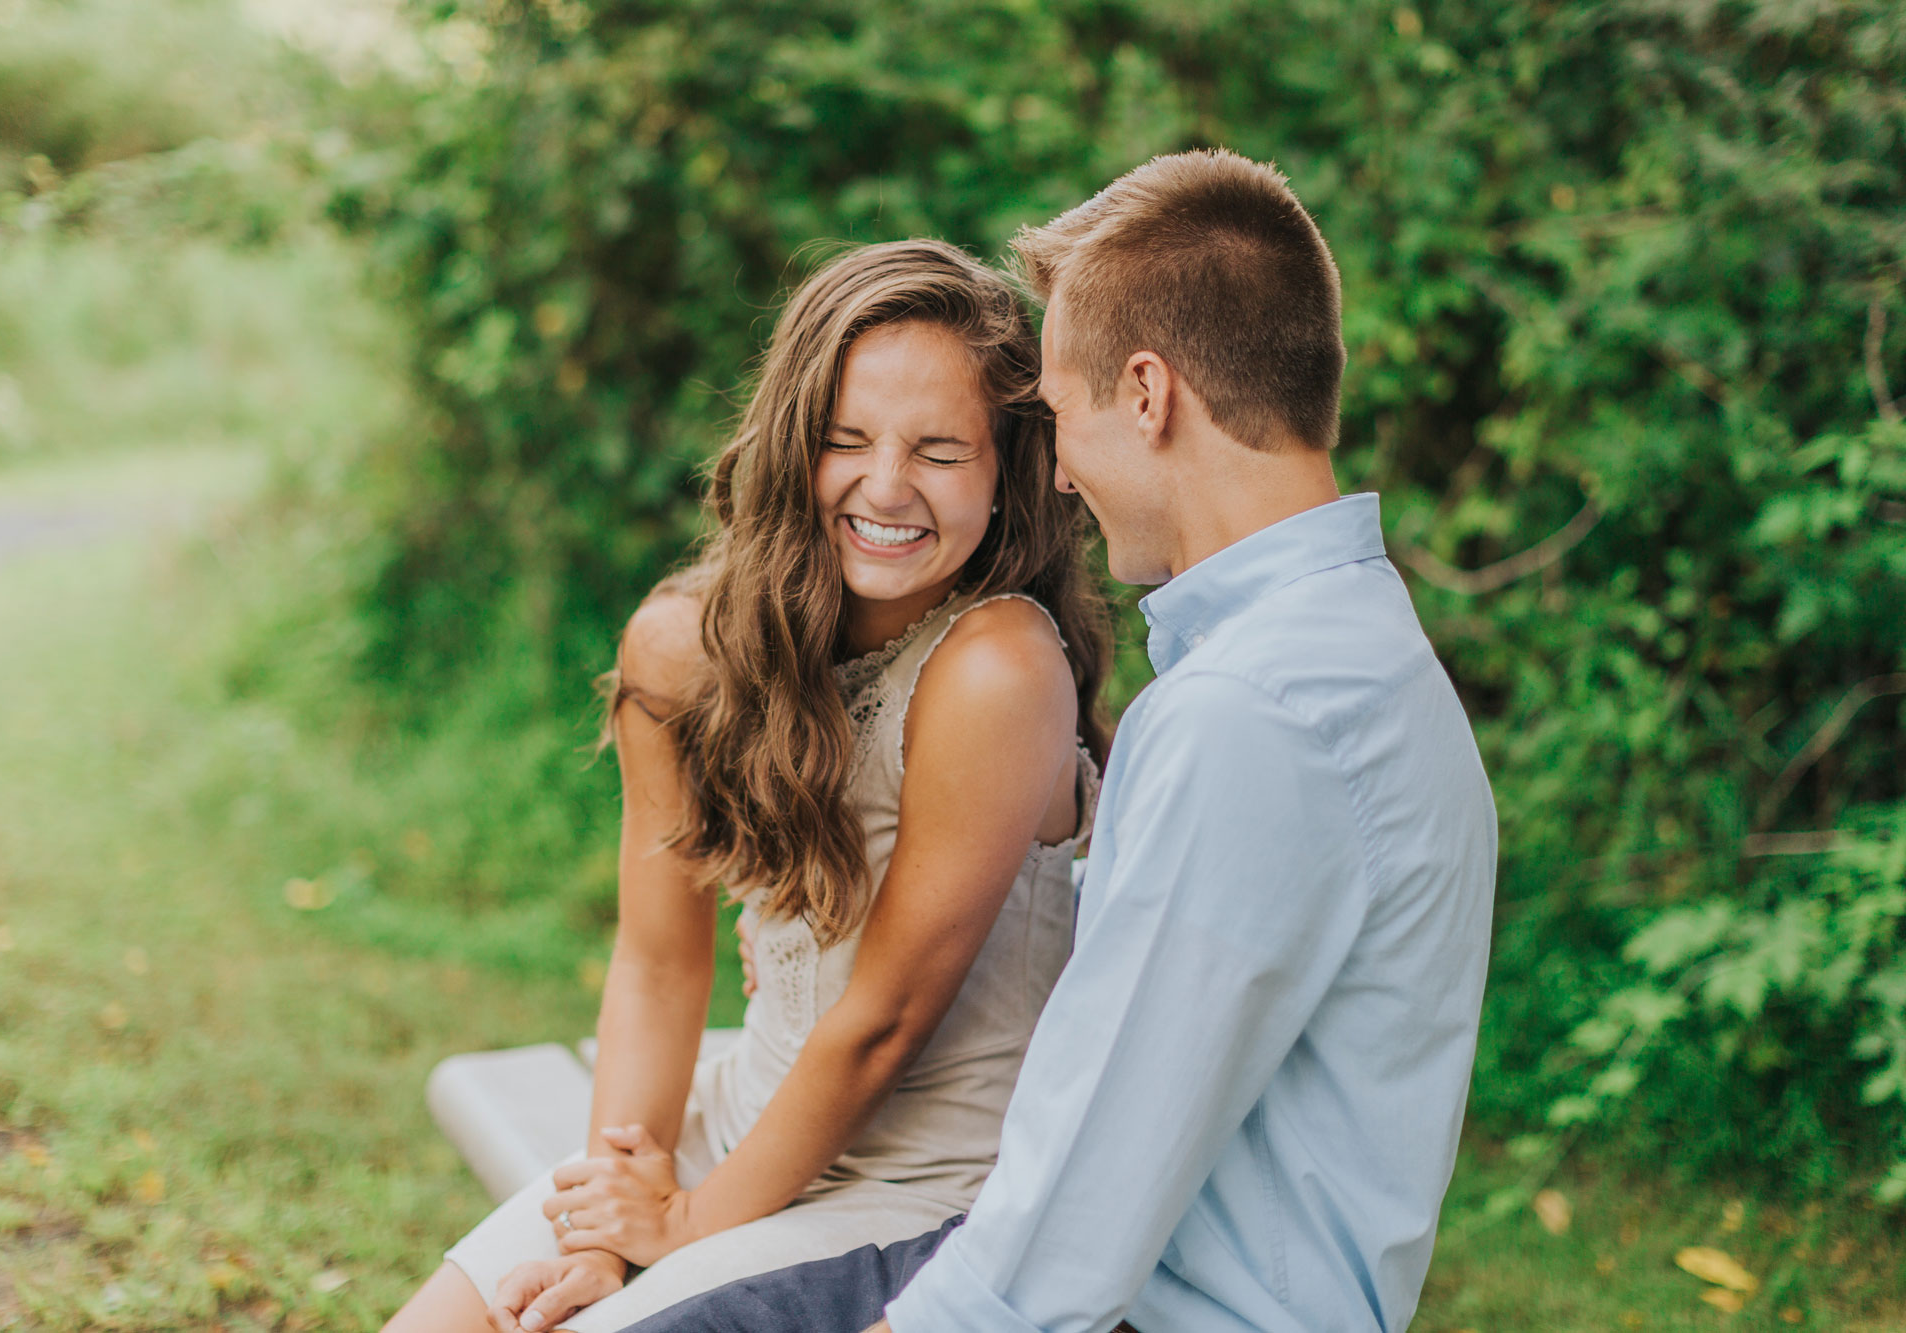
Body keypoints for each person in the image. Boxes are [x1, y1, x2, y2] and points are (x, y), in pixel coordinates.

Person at [605, 149, 1499, 1333]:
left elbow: (1078, 1211)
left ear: (1146, 394)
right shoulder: (1343, 651)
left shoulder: (1247, 712)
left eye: (1060, 415)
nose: (1061, 476)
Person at [381, 238, 1115, 1333]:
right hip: (738, 1129)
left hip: (929, 1195)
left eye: (940, 451)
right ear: (788, 444)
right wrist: (609, 1222)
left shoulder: (997, 668)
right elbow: (657, 962)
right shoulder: (683, 649)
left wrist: (679, 1231)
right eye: (844, 439)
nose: (884, 485)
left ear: (1007, 467)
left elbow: (885, 1018)